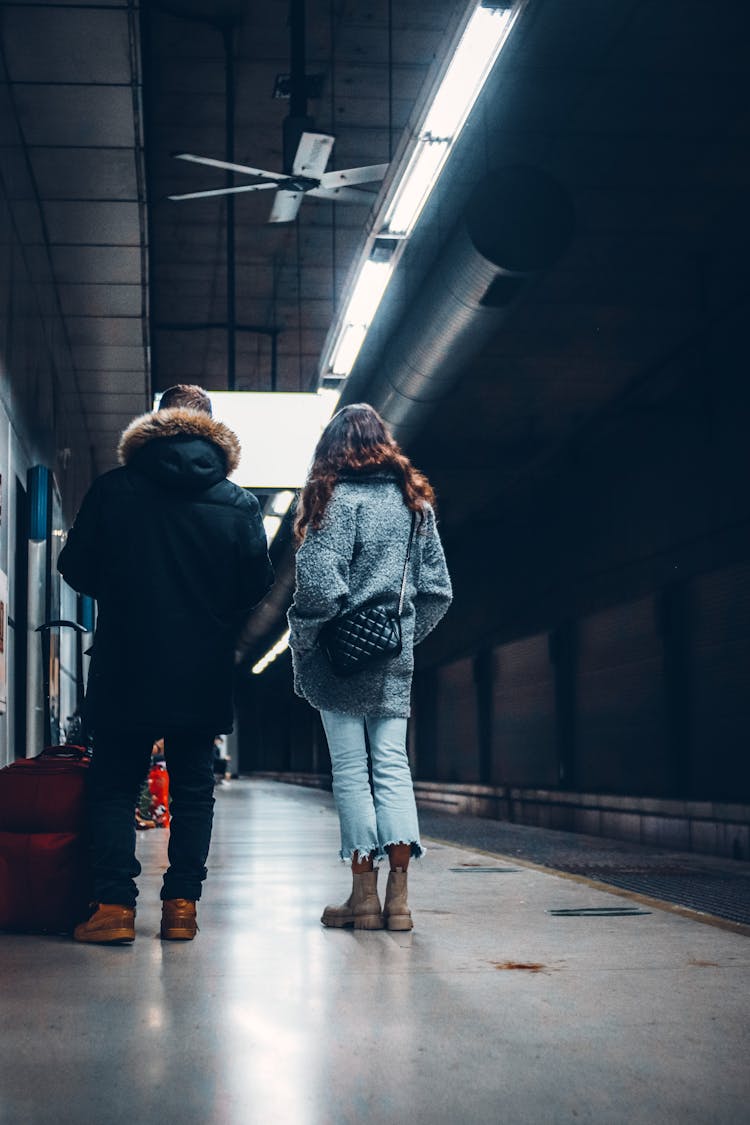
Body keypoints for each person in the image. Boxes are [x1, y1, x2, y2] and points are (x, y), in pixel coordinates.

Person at [58, 384, 273, 944]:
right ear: (210, 429)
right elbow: (255, 586)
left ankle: (113, 908)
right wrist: (210, 608)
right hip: (199, 665)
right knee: (193, 790)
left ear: (155, 423)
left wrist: (124, 590)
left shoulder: (113, 491)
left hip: (125, 660)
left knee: (113, 785)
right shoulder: (239, 503)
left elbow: (75, 567)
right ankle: (181, 908)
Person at [287, 403, 452, 931]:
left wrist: (309, 640)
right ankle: (398, 903)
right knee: (392, 766)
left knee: (353, 773)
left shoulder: (331, 499)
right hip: (391, 660)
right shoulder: (414, 505)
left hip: (339, 661)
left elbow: (317, 587)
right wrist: (398, 639)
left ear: (331, 448)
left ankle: (362, 899)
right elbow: (436, 592)